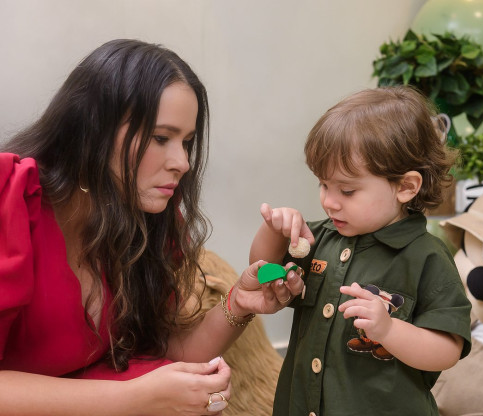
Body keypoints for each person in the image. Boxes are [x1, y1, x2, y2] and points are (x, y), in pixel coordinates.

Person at [0, 39, 304, 415]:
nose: (183, 162)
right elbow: (142, 392)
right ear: (95, 128)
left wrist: (240, 302)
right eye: (161, 138)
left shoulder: (143, 218)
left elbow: (170, 352)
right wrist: (134, 397)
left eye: (187, 142)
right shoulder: (11, 199)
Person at [249, 86, 472, 415]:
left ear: (406, 187)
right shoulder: (319, 238)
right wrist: (274, 231)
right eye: (323, 184)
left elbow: (448, 350)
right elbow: (261, 272)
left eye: (347, 190)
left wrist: (389, 330)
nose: (329, 201)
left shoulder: (427, 257)